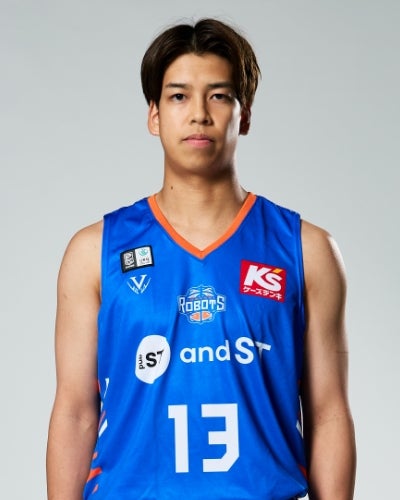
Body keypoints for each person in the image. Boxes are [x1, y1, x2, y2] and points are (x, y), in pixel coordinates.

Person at [46, 18, 356, 499]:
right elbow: (75, 412)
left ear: (244, 115)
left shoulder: (305, 249)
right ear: (154, 115)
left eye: (219, 96)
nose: (198, 114)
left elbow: (328, 411)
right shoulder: (95, 251)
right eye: (178, 96)